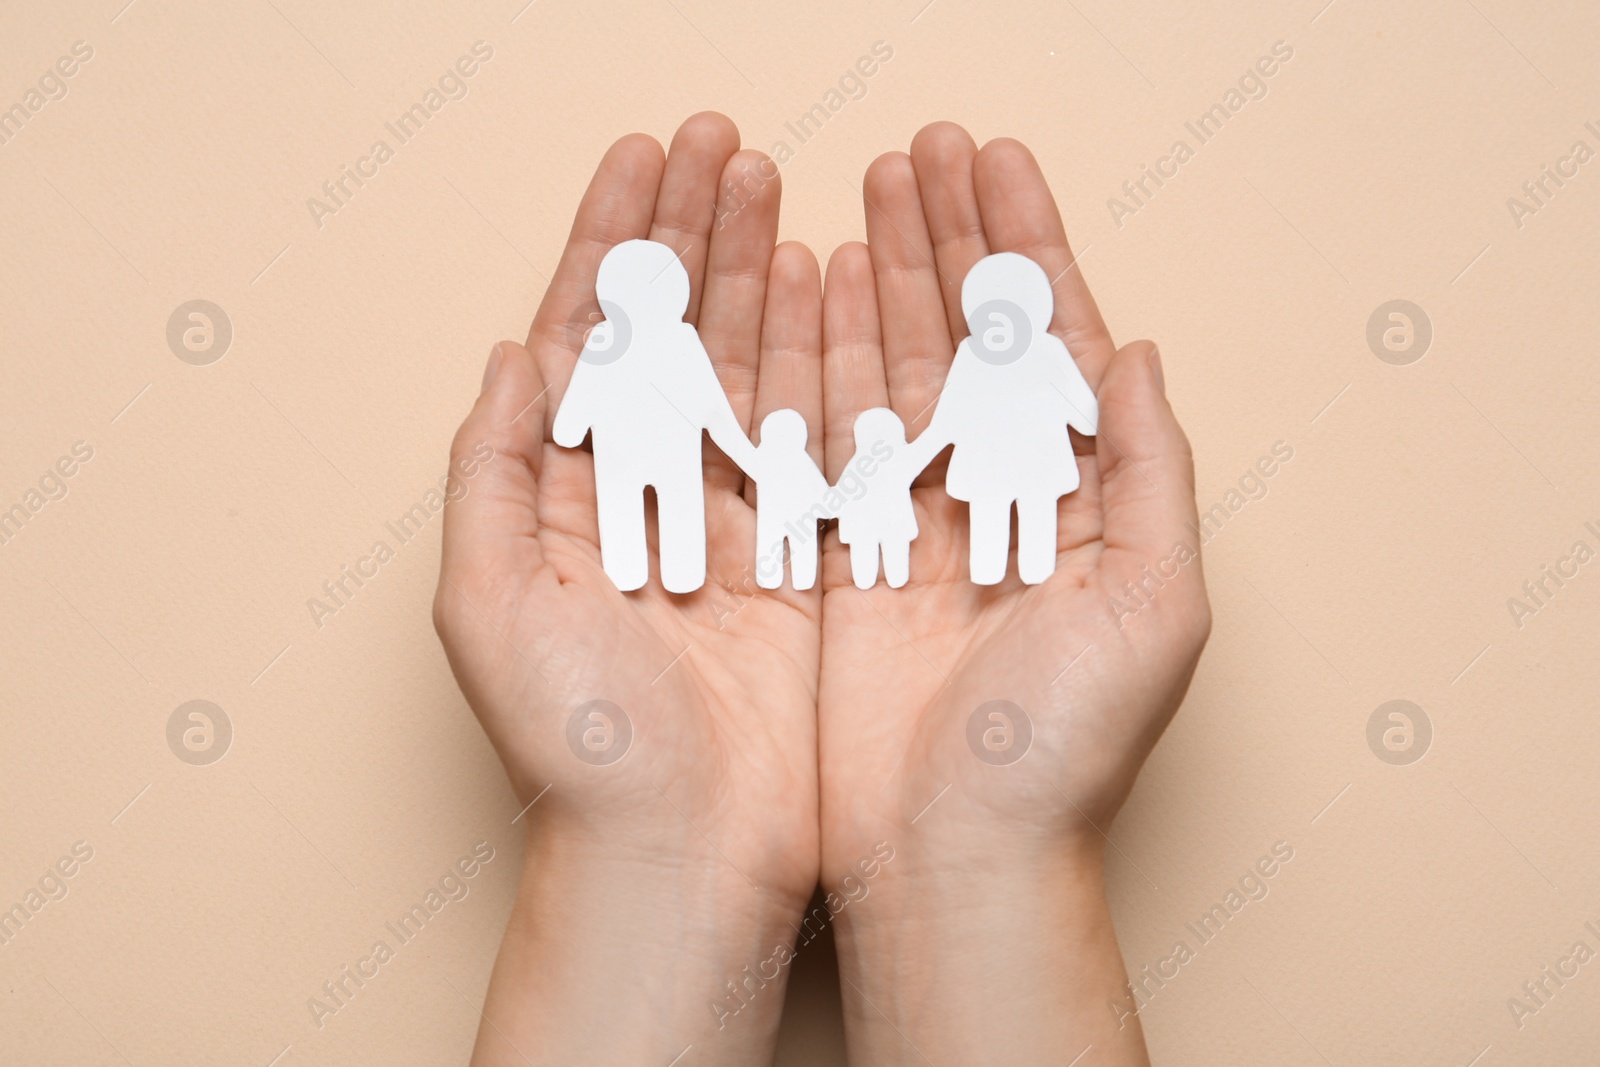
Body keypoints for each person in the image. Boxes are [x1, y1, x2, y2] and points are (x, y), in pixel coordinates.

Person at [434, 112, 1210, 1066]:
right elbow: (919, 428)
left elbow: (736, 411)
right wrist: (636, 847)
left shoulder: (1017, 359)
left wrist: (975, 855)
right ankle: (662, 565)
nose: (1000, 329)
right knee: (661, 517)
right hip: (668, 456)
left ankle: (673, 560)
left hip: (969, 478)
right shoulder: (623, 353)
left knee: (681, 514)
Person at [552, 238, 757, 593]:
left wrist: (570, 427)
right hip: (673, 453)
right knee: (680, 505)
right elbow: (715, 413)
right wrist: (753, 463)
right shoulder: (680, 340)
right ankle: (682, 574)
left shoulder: (606, 339)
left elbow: (573, 419)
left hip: (621, 451)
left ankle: (629, 572)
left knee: (622, 509)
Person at [914, 250, 1100, 585]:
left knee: (999, 509)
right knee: (1030, 509)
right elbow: (1086, 417)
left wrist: (914, 456)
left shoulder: (977, 355)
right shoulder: (1042, 351)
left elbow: (948, 421)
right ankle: (1024, 572)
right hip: (1036, 461)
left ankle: (998, 572)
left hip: (991, 462)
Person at [835, 406, 924, 589]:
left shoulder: (856, 466)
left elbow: (840, 495)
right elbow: (923, 450)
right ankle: (882, 578)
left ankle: (875, 579)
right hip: (882, 524)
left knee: (876, 552)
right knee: (887, 551)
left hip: (869, 526)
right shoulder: (898, 460)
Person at [747, 407, 832, 590]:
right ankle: (794, 580)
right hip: (793, 518)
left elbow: (820, 488)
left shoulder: (772, 460)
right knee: (789, 546)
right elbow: (821, 489)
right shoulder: (796, 460)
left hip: (786, 517)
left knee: (784, 545)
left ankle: (798, 580)